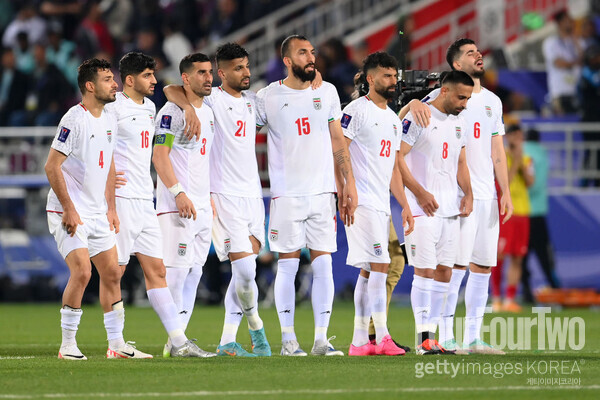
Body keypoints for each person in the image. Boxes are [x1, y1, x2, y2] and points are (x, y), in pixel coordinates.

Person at [400, 38, 513, 354]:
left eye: (478, 50)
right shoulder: (441, 97)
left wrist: (504, 192)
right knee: (453, 267)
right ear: (455, 65)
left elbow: (498, 152)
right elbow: (409, 121)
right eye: (469, 53)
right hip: (454, 196)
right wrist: (412, 104)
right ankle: (443, 334)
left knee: (483, 266)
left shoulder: (493, 101)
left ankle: (474, 336)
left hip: (485, 194)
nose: (478, 55)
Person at [163, 43, 271, 357]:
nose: (247, 72)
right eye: (238, 68)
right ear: (222, 73)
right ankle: (246, 330)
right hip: (224, 196)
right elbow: (172, 87)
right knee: (247, 271)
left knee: (245, 272)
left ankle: (238, 335)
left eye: (247, 66)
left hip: (254, 196)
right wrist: (185, 107)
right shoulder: (211, 102)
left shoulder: (253, 102)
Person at [255, 34, 358, 356]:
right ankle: (288, 341)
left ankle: (321, 340)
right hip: (286, 195)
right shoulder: (267, 97)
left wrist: (348, 183)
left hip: (323, 192)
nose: (311, 57)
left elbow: (338, 140)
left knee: (323, 265)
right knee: (287, 265)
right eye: (303, 53)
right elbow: (241, 132)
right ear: (287, 60)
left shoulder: (327, 92)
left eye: (312, 52)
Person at [107, 52, 213, 358]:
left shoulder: (152, 106)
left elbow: (171, 88)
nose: (155, 80)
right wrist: (103, 182)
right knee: (115, 272)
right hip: (123, 199)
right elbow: (96, 141)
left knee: (158, 272)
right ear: (129, 80)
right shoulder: (113, 108)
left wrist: (186, 106)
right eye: (147, 75)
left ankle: (178, 342)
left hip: (145, 200)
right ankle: (115, 343)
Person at [44, 58, 149, 360]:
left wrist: (111, 208)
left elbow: (109, 162)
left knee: (113, 274)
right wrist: (68, 208)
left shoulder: (110, 118)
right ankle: (67, 344)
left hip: (98, 211)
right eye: (107, 79)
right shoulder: (73, 120)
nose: (115, 83)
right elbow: (52, 166)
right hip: (68, 211)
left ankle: (116, 344)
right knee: (82, 272)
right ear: (90, 86)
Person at [341, 52, 414, 356]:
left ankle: (360, 341)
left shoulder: (392, 120)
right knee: (380, 264)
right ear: (370, 79)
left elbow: (394, 169)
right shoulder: (356, 111)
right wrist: (348, 189)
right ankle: (381, 336)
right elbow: (339, 149)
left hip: (381, 204)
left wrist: (405, 205)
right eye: (386, 75)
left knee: (370, 270)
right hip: (362, 202)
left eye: (395, 76)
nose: (393, 81)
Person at [398, 70, 474, 355]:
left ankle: (434, 337)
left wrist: (468, 192)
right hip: (421, 209)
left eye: (467, 98)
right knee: (425, 271)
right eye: (460, 97)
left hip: (449, 209)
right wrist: (418, 192)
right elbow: (397, 158)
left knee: (445, 271)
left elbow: (461, 162)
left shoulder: (460, 123)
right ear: (444, 91)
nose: (464, 103)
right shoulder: (419, 116)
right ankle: (423, 338)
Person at [152, 53, 217, 358]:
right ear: (186, 78)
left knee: (194, 273)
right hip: (177, 204)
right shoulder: (170, 112)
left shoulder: (210, 109)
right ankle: (178, 341)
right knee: (176, 273)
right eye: (201, 73)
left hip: (203, 205)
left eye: (210, 72)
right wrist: (178, 193)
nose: (209, 77)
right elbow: (159, 156)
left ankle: (176, 342)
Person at [492, 124, 534, 313]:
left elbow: (530, 182)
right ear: (507, 136)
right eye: (512, 134)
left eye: (519, 134)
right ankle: (496, 298)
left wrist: (520, 161)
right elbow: (503, 184)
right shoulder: (500, 157)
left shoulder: (527, 159)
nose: (516, 138)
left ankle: (510, 299)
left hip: (522, 212)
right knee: (499, 256)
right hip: (504, 212)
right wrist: (516, 161)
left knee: (517, 257)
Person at [522, 129, 560, 302]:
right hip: (539, 211)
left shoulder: (525, 153)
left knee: (522, 255)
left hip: (525, 210)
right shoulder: (543, 154)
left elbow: (531, 184)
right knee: (544, 254)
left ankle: (527, 291)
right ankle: (554, 287)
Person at [542, 10, 584, 115]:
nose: (571, 23)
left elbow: (585, 60)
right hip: (560, 92)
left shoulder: (578, 41)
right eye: (567, 20)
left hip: (577, 91)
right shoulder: (551, 42)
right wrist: (576, 62)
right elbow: (558, 63)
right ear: (559, 23)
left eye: (571, 20)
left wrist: (575, 39)